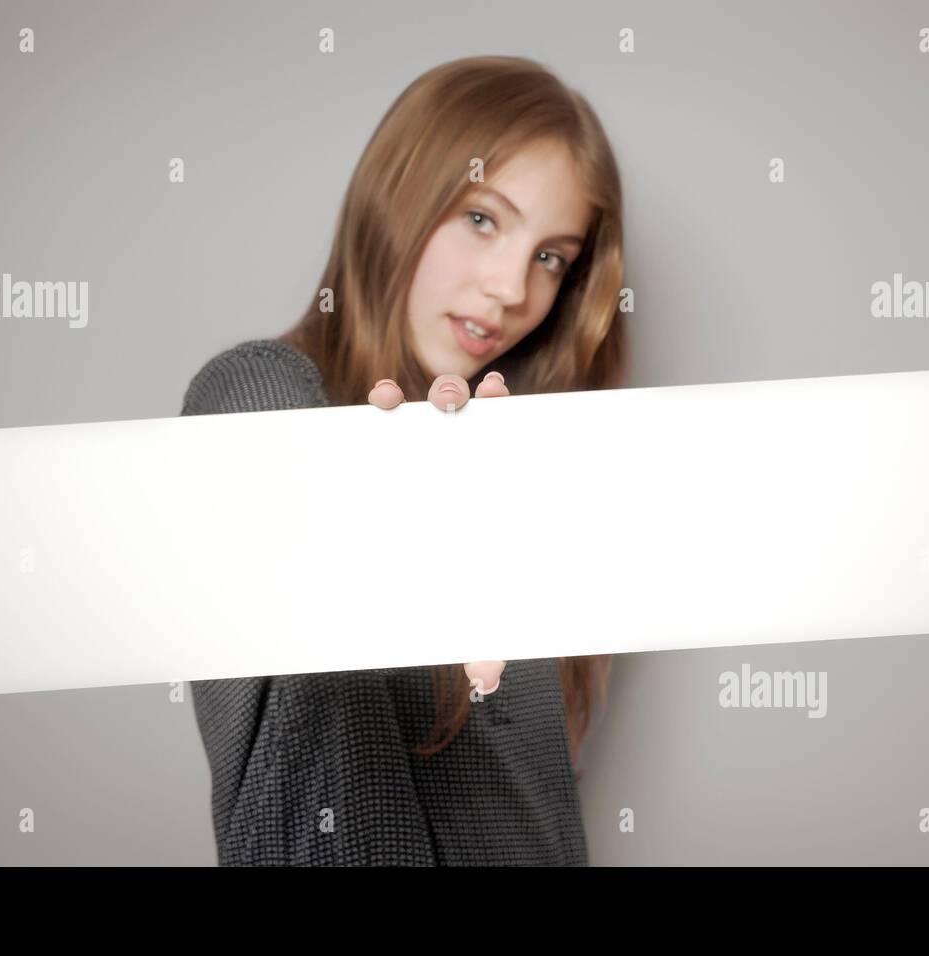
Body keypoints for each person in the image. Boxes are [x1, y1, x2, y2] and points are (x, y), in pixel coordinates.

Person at [181, 55, 628, 866]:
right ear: (401, 190)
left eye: (552, 257)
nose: (510, 291)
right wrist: (379, 527)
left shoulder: (504, 468)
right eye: (484, 220)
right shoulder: (260, 394)